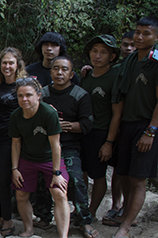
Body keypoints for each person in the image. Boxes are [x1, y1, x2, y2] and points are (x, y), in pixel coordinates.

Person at [35, 56, 96, 238]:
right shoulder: (42, 93)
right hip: (43, 147)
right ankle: (44, 217)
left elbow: (87, 123)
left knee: (76, 181)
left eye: (64, 69)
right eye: (55, 69)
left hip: (69, 147)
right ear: (50, 71)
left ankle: (83, 221)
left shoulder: (80, 94)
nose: (59, 72)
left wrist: (67, 125)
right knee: (41, 180)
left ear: (71, 74)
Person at [110, 16, 158, 238]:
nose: (139, 37)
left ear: (156, 37)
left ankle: (125, 227)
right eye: (138, 32)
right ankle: (128, 215)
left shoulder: (155, 62)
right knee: (125, 174)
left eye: (146, 33)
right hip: (127, 125)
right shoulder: (129, 63)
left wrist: (151, 131)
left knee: (138, 178)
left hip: (146, 126)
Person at [10, 77, 70, 238]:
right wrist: (15, 169)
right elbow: (16, 144)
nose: (24, 99)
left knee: (59, 193)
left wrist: (57, 173)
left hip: (50, 159)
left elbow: (55, 145)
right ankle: (29, 229)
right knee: (21, 194)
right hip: (27, 158)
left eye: (28, 95)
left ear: (38, 95)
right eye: (20, 96)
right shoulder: (16, 116)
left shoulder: (48, 113)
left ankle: (63, 235)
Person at [79, 35, 120, 221]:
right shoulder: (86, 76)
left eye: (103, 52)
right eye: (95, 51)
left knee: (98, 175)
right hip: (82, 132)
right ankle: (81, 209)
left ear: (112, 56)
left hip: (101, 132)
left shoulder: (114, 77)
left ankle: (92, 211)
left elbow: (117, 113)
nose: (98, 55)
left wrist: (109, 142)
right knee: (83, 172)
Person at [0, 47, 28, 237]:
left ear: (18, 65)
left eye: (11, 62)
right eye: (4, 62)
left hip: (16, 140)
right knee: (1, 181)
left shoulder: (23, 86)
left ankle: (9, 219)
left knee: (3, 181)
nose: (7, 66)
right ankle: (4, 216)